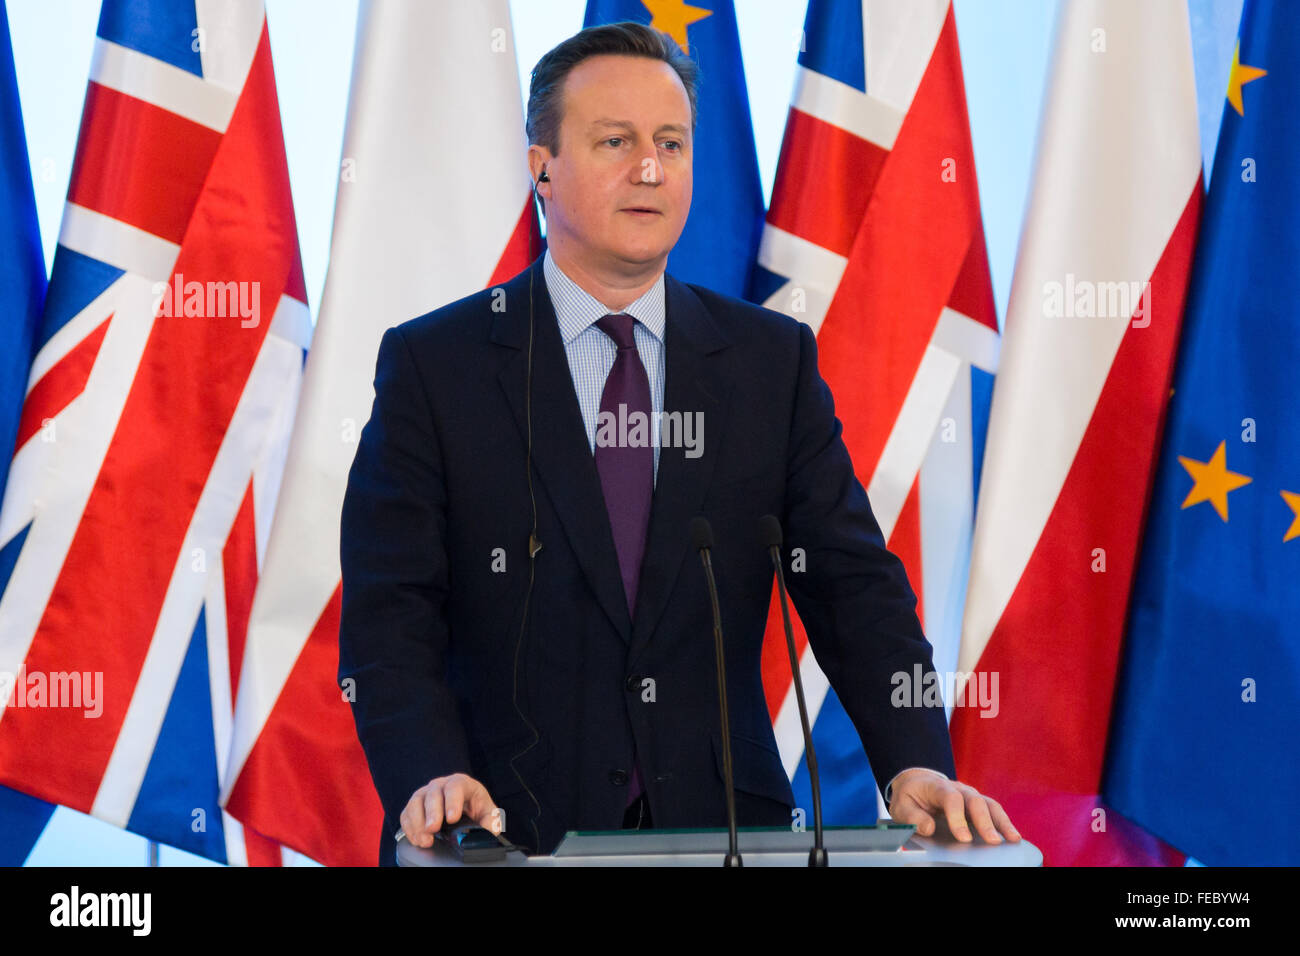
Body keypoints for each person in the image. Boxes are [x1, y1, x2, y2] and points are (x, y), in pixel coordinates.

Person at [339, 21, 1019, 866]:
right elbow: (389, 614)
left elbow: (853, 587)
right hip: (499, 835)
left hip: (726, 835)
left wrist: (912, 758)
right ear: (541, 164)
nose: (651, 168)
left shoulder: (768, 363)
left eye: (671, 142)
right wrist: (432, 775)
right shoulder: (437, 365)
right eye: (615, 141)